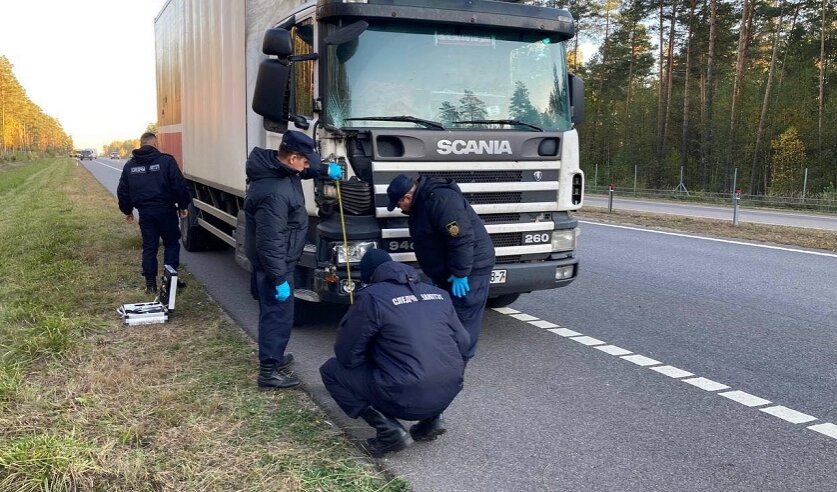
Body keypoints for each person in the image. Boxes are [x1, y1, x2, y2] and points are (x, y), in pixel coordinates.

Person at [319, 249, 470, 457]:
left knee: (330, 370)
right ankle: (432, 419)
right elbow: (464, 342)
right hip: (450, 388)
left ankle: (389, 432)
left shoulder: (371, 297)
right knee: (432, 361)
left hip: (403, 393)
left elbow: (347, 354)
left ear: (369, 277)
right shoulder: (438, 294)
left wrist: (371, 360)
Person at [244, 130, 342, 389]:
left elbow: (306, 170)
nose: (307, 167)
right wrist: (278, 278)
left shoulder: (279, 168)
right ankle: (268, 372)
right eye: (305, 161)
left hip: (278, 258)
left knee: (277, 314)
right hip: (275, 263)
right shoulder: (274, 193)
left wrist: (325, 170)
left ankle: (274, 356)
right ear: (293, 158)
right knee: (277, 315)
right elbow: (269, 241)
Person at [386, 174, 495, 361]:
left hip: (470, 269)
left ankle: (458, 365)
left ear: (407, 197)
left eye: (398, 205)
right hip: (451, 269)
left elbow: (460, 239)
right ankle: (446, 362)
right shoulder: (424, 202)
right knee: (448, 317)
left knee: (464, 318)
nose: (399, 209)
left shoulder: (441, 200)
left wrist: (460, 273)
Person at [117, 132, 191, 294]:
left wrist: (128, 211)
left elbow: (123, 191)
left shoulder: (130, 166)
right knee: (171, 243)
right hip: (166, 210)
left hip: (145, 213)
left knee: (150, 246)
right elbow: (179, 185)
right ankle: (170, 279)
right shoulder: (166, 161)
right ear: (155, 144)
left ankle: (150, 284)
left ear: (141, 144)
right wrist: (183, 205)